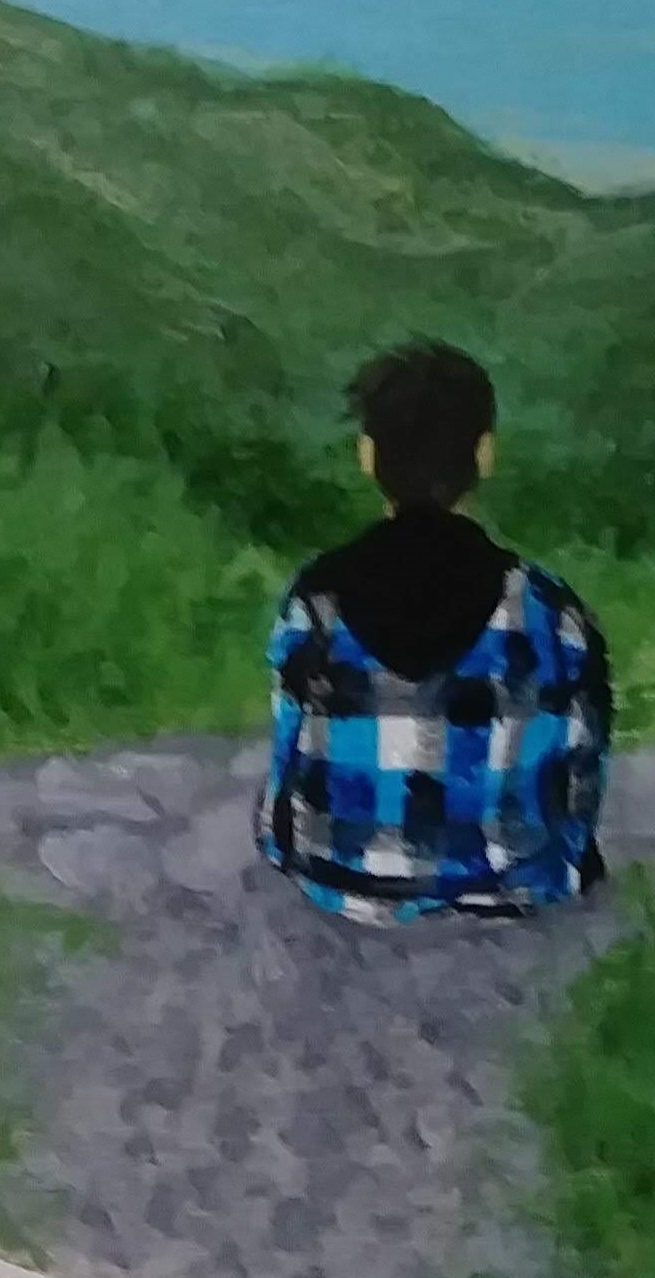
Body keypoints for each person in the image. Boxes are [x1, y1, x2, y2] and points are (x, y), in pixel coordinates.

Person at [255, 339, 612, 923]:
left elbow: (285, 767)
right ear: (485, 454)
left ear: (367, 455)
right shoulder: (552, 611)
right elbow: (581, 788)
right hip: (511, 897)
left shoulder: (314, 601)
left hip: (340, 886)